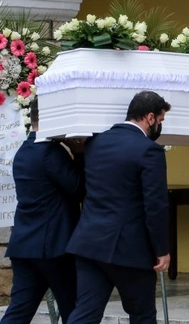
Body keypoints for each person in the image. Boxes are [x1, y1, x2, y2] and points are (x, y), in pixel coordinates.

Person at [66, 91, 171, 324]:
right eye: (161, 120)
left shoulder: (95, 143)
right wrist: (162, 249)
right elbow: (155, 205)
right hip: (129, 249)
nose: (160, 126)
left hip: (89, 243)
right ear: (150, 117)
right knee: (143, 315)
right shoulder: (149, 150)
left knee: (85, 314)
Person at [1, 99, 84, 324]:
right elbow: (78, 188)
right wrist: (79, 153)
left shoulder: (23, 151)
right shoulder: (50, 153)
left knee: (19, 311)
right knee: (73, 309)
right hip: (53, 247)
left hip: (24, 244)